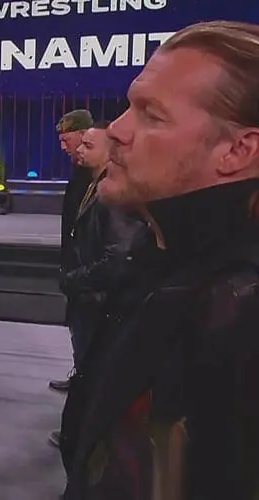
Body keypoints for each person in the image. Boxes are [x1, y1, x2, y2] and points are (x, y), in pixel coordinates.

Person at [61, 21, 259, 499]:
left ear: (238, 150)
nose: (116, 130)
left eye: (152, 115)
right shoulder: (160, 260)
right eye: (130, 105)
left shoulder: (240, 316)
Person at [49, 121, 147, 449]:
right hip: (89, 297)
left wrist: (75, 279)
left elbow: (118, 258)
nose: (78, 150)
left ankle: (85, 439)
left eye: (88, 145)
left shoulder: (112, 195)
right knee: (86, 367)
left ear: (111, 152)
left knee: (94, 373)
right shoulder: (92, 185)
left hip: (97, 299)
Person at [50, 108, 94, 393]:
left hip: (89, 268)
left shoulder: (98, 177)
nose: (63, 147)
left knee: (88, 331)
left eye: (67, 140)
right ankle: (81, 377)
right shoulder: (80, 174)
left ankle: (87, 385)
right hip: (76, 264)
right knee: (78, 328)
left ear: (84, 135)